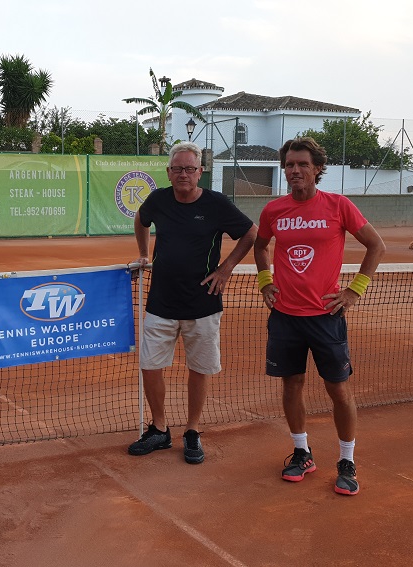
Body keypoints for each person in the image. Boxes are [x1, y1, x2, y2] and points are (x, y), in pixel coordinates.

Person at [253, 136, 385, 496]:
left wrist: (354, 291)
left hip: (325, 316)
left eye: (302, 164)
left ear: (317, 169)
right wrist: (266, 283)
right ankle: (301, 452)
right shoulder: (273, 211)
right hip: (284, 316)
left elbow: (376, 245)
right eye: (290, 165)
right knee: (291, 385)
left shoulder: (338, 206)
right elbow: (260, 245)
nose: (295, 170)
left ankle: (346, 460)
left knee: (338, 391)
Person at [128, 141, 257, 464]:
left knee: (199, 369)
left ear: (200, 172)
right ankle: (159, 428)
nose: (183, 174)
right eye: (177, 169)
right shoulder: (158, 199)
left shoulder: (216, 203)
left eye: (189, 169)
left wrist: (226, 269)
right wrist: (144, 254)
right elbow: (141, 221)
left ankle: (192, 431)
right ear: (169, 173)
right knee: (150, 367)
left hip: (204, 304)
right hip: (161, 303)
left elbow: (251, 233)